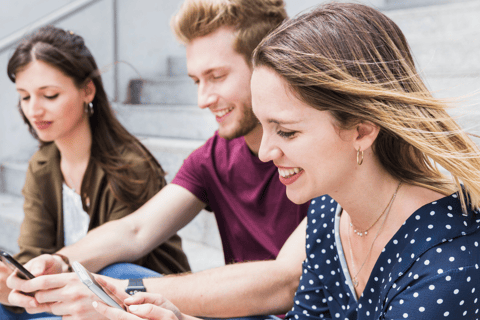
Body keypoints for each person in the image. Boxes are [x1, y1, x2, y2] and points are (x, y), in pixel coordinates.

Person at [92, 2, 480, 320]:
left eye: (287, 132)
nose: (265, 152)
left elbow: (280, 282)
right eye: (264, 127)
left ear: (362, 130)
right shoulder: (330, 214)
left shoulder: (449, 261)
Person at [6, 0, 310, 318]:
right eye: (195, 81)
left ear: (268, 65)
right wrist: (63, 261)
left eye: (217, 76)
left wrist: (124, 290)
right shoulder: (214, 156)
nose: (202, 99)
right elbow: (136, 230)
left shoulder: (321, 147)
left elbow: (286, 280)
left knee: (119, 277)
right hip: (243, 310)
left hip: (286, 308)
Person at [0, 25, 190, 319]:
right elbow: (32, 254)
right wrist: (15, 281)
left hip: (133, 299)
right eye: (25, 97)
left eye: (49, 95)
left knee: (112, 271)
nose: (34, 110)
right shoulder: (42, 166)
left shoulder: (130, 166)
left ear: (87, 90)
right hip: (69, 299)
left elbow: (115, 270)